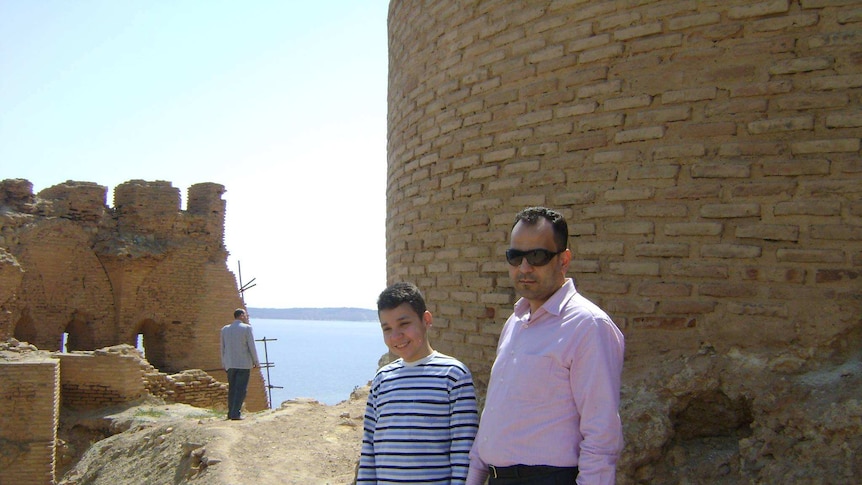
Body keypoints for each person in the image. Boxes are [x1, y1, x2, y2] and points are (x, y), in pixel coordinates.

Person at [466, 207, 626, 485]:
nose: (524, 267)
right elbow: (496, 411)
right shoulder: (514, 323)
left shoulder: (588, 326)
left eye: (537, 256)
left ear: (563, 260)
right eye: (515, 257)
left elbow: (602, 434)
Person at [357, 282, 479, 484]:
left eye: (404, 324)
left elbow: (463, 452)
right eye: (387, 328)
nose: (396, 336)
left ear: (426, 320)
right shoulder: (382, 379)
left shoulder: (453, 375)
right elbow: (369, 450)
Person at [220, 308, 260, 420]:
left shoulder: (224, 329)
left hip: (230, 364)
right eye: (245, 315)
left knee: (232, 388)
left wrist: (224, 362)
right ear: (241, 315)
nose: (247, 317)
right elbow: (251, 346)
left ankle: (230, 412)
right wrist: (256, 361)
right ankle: (235, 413)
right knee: (241, 389)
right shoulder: (247, 328)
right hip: (243, 364)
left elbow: (222, 348)